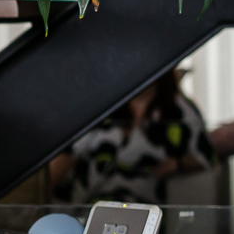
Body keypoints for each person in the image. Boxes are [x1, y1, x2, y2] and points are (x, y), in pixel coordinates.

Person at [49, 69, 215, 204]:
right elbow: (67, 155)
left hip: (140, 210)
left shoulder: (177, 110)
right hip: (83, 207)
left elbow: (206, 157)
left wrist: (177, 165)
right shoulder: (100, 104)